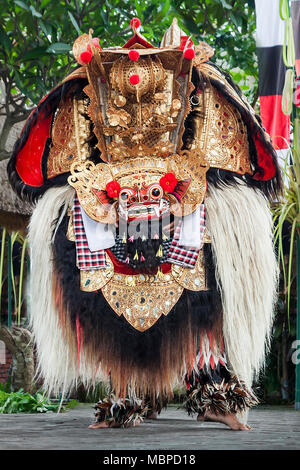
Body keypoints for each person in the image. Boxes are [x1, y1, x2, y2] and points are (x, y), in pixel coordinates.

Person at [7, 18, 282, 431]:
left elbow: (222, 161)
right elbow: (74, 168)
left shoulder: (203, 90)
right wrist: (105, 202)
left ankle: (215, 391)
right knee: (95, 285)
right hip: (107, 207)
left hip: (187, 204)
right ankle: (125, 395)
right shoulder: (82, 94)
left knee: (209, 285)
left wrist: (183, 200)